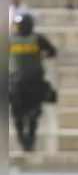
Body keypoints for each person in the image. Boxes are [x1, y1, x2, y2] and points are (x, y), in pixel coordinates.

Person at [9, 13, 57, 152]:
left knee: (18, 113)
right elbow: (52, 52)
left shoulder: (11, 40)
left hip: (16, 82)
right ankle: (29, 139)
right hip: (33, 81)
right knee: (33, 112)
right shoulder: (37, 39)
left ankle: (23, 138)